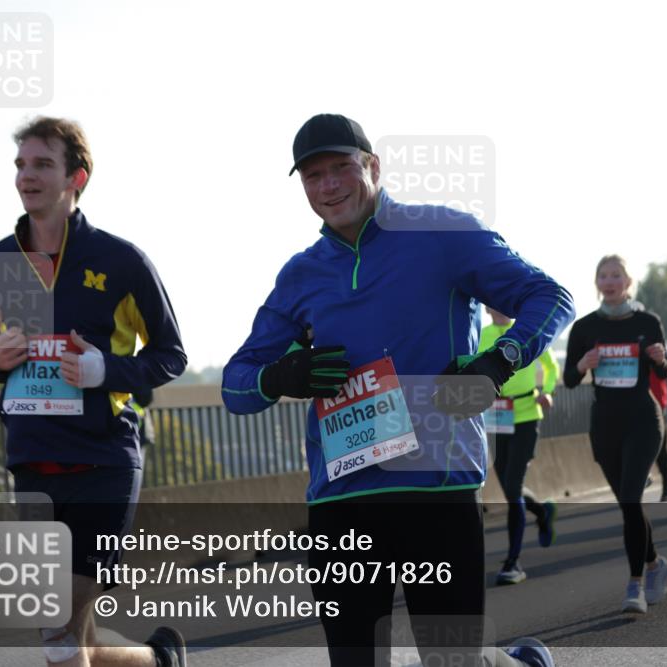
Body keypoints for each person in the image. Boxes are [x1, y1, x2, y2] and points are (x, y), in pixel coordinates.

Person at [221, 114, 573, 667]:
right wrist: (281, 376)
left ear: (374, 167)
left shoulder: (442, 234)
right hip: (343, 502)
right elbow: (235, 387)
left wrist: (495, 364)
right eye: (313, 176)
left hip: (436, 488)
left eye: (342, 168)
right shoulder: (301, 274)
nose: (329, 185)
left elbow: (550, 297)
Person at [0, 117, 188, 667]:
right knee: (74, 634)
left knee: (58, 628)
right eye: (21, 165)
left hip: (102, 461)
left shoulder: (121, 261)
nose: (27, 176)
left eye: (43, 164)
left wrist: (103, 372)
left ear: (78, 178)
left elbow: (170, 355)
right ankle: (159, 661)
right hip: (32, 463)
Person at [563, 255, 667, 614]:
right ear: (597, 283)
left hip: (643, 419)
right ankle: (656, 564)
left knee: (630, 499)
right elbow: (568, 379)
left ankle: (635, 586)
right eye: (603, 276)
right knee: (630, 506)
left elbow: (666, 369)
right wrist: (582, 364)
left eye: (616, 275)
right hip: (605, 425)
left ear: (628, 282)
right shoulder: (584, 328)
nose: (609, 281)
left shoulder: (647, 321)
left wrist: (659, 359)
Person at [480, 305, 560, 585]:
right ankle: (541, 510)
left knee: (513, 486)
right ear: (487, 306)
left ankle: (513, 562)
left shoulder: (527, 332)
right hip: (498, 418)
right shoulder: (482, 336)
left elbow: (551, 367)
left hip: (527, 414)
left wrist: (548, 392)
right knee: (509, 486)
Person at [633, 301, 667, 502]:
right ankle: (642, 476)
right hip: (632, 399)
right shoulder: (624, 337)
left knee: (659, 445)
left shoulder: (655, 335)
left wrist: (658, 358)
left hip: (657, 398)